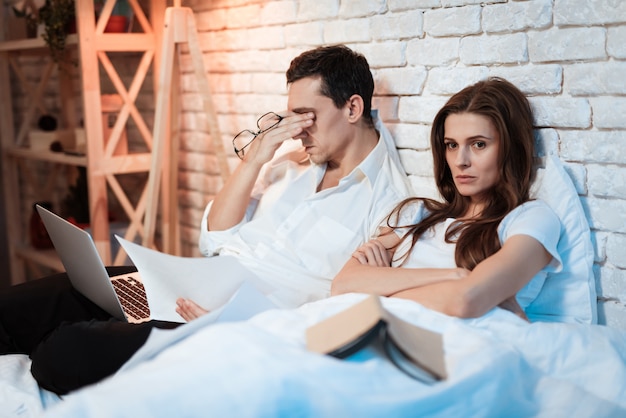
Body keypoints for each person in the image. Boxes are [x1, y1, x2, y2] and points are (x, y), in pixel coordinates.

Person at [0, 44, 412, 394]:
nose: (296, 129)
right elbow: (213, 239)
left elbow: (349, 303)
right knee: (19, 307)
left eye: (307, 115)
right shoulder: (291, 167)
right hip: (184, 286)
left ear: (353, 107)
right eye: (291, 115)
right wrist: (255, 160)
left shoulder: (391, 204)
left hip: (226, 324)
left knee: (63, 353)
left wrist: (239, 323)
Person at [332, 77, 561, 320]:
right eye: (451, 145)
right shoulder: (418, 215)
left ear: (510, 149)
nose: (461, 160)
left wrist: (381, 290)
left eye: (479, 144)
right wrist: (454, 276)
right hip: (385, 330)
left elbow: (466, 300)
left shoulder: (531, 219)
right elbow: (343, 285)